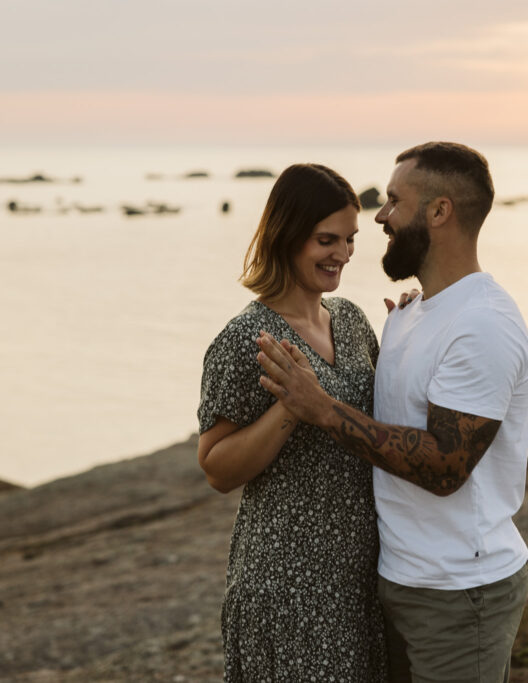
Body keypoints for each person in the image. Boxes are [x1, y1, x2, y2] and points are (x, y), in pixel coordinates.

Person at [256, 142, 528, 683]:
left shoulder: (483, 325)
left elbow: (445, 466)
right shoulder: (412, 314)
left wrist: (323, 409)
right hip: (399, 579)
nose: (379, 216)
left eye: (392, 201)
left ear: (439, 212)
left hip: (460, 593)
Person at [197, 163, 388, 682]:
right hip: (288, 585)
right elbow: (216, 468)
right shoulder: (245, 340)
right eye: (327, 239)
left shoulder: (351, 320)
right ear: (287, 235)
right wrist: (291, 407)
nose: (343, 254)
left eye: (350, 239)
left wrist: (417, 329)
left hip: (362, 574)